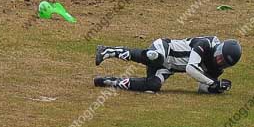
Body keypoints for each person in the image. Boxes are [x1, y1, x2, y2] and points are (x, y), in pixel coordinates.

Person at [93, 36, 241, 93]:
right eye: (220, 57)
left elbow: (202, 88)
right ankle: (108, 51)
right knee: (155, 57)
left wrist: (217, 87)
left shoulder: (217, 68)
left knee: (153, 86)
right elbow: (191, 68)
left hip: (168, 68)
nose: (219, 62)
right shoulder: (205, 44)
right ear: (219, 48)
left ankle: (109, 81)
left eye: (224, 63)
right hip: (164, 49)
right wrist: (212, 82)